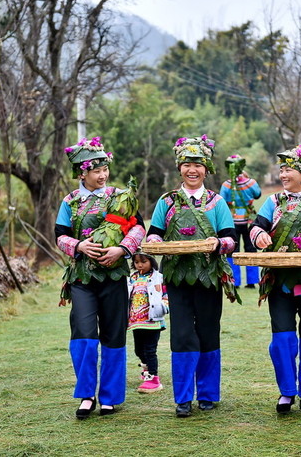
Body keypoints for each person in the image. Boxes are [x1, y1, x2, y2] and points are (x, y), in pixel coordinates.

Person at [146, 134, 239, 418]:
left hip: (209, 276)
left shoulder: (217, 202)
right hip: (177, 278)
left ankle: (209, 394)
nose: (192, 170)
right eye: (187, 164)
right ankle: (183, 397)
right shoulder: (167, 201)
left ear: (207, 168)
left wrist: (217, 244)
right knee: (182, 335)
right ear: (179, 168)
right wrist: (156, 243)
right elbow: (154, 235)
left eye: (198, 164)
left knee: (208, 332)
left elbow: (231, 239)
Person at [55, 137, 145, 419]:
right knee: (83, 333)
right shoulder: (70, 201)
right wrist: (78, 246)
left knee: (113, 335)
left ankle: (110, 396)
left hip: (114, 275)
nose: (102, 175)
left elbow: (139, 228)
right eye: (96, 171)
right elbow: (60, 235)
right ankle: (85, 395)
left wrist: (122, 249)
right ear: (82, 173)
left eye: (105, 169)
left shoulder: (119, 196)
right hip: (82, 278)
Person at [249, 144, 301, 415]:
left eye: (289, 170)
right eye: (282, 169)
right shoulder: (273, 202)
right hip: (280, 282)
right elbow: (256, 227)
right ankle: (287, 391)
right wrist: (259, 236)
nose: (283, 175)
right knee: (282, 337)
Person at [127, 251, 168, 393]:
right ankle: (147, 367)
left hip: (152, 320)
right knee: (138, 349)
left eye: (143, 262)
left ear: (151, 261)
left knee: (150, 350)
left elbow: (165, 294)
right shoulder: (132, 277)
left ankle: (154, 379)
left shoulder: (158, 277)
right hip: (136, 321)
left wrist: (164, 307)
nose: (140, 265)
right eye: (137, 262)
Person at [219, 154, 262, 288]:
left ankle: (235, 281)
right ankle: (252, 281)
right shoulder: (251, 183)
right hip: (249, 220)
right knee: (250, 249)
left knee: (232, 250)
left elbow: (222, 200)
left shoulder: (226, 185)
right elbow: (258, 194)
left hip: (232, 221)